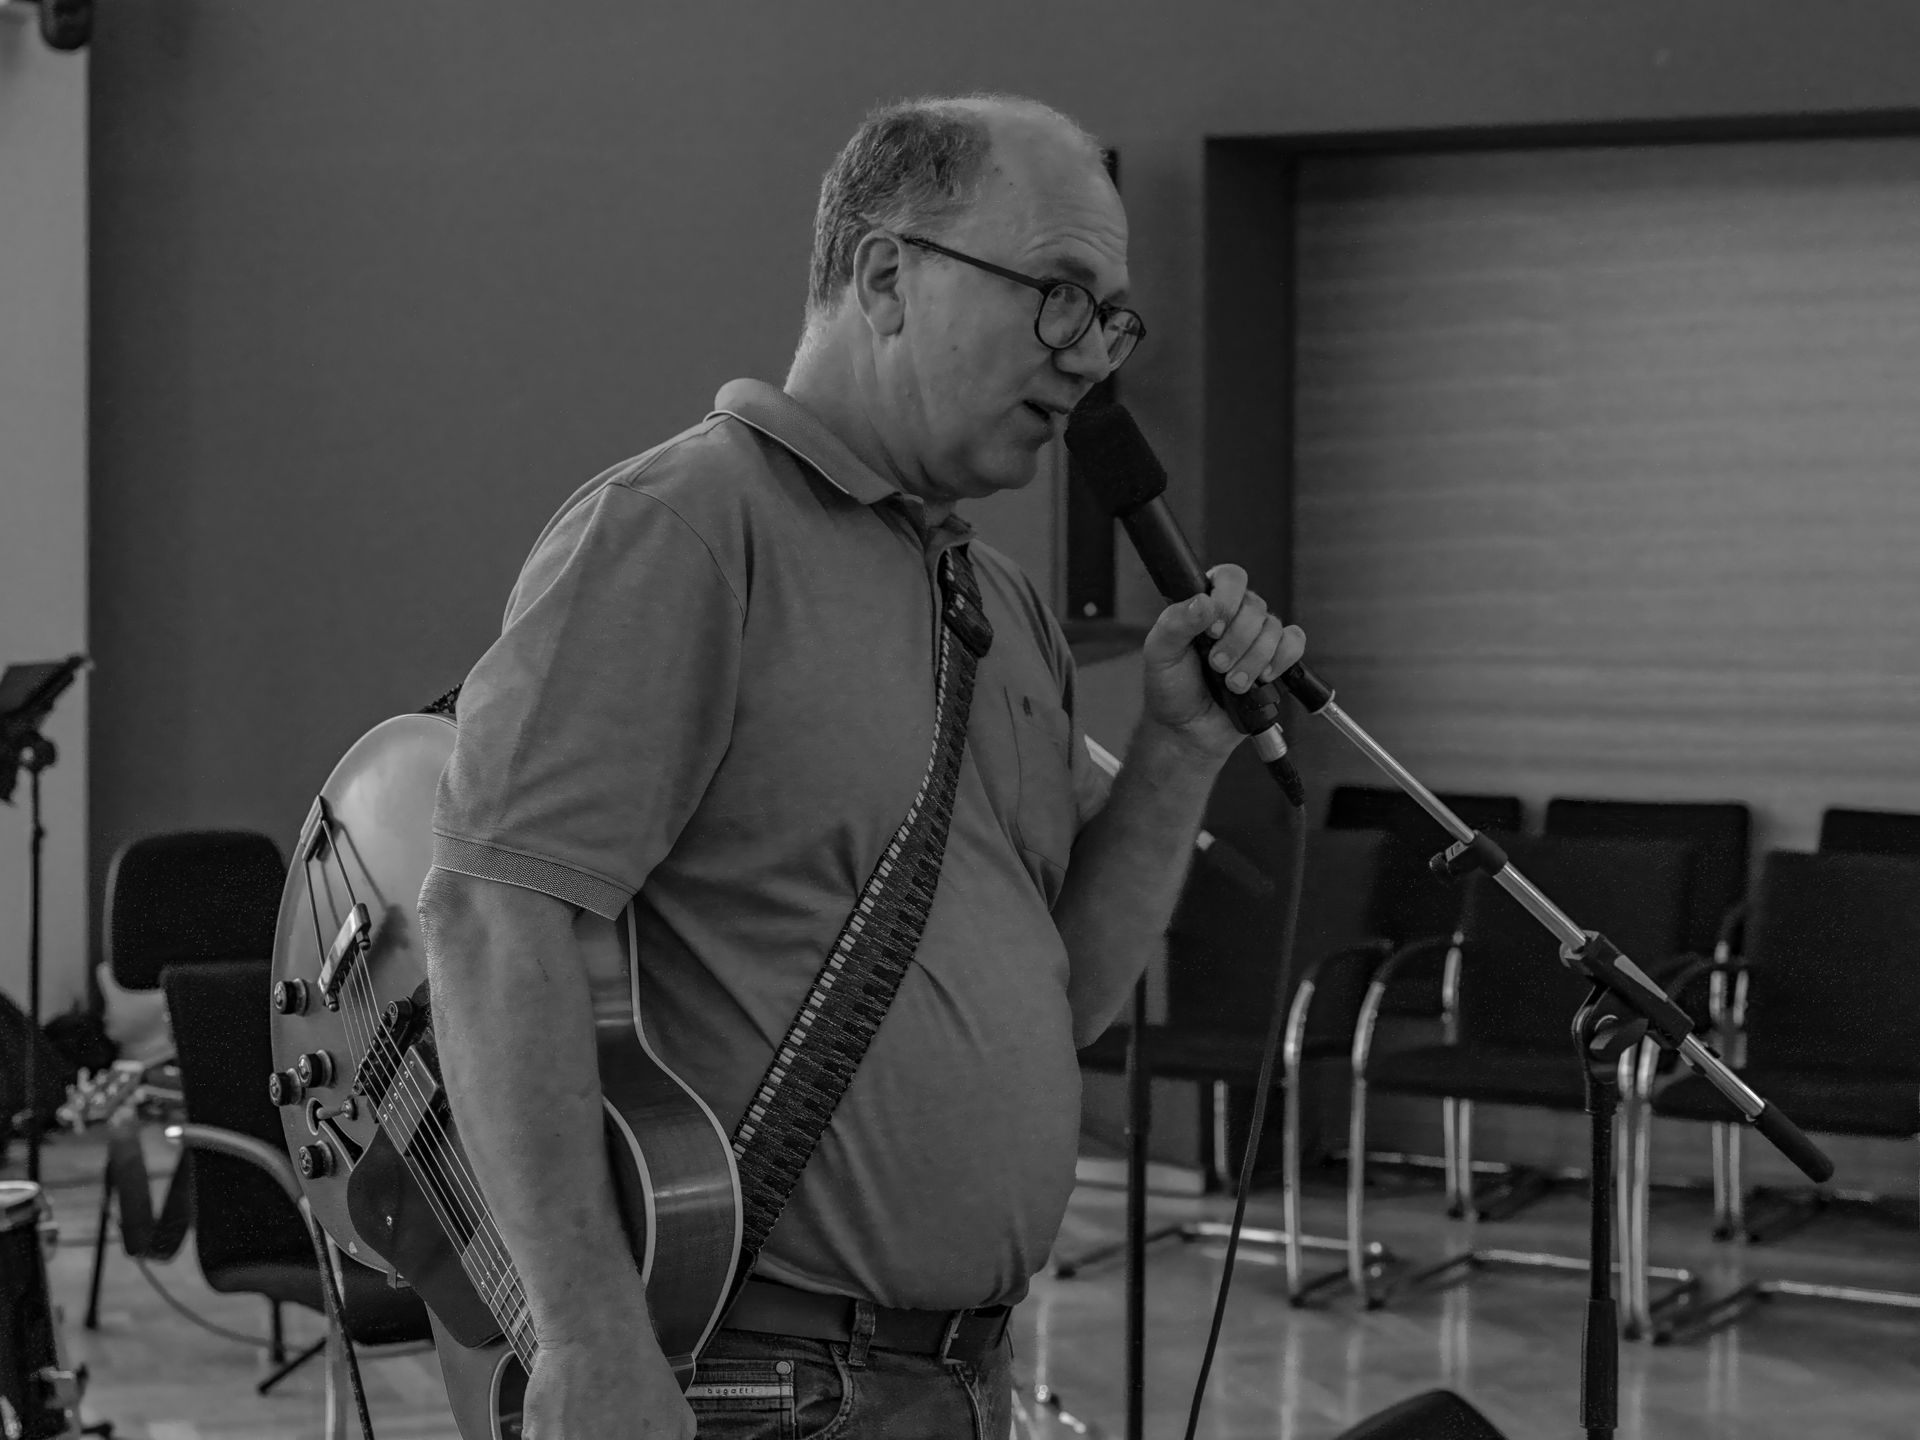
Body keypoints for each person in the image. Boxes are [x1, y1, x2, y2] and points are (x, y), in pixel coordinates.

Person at [417, 92, 1307, 1440]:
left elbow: (1067, 999)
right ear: (888, 277)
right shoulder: (686, 528)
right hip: (752, 1381)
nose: (1088, 359)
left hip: (955, 1377)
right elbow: (492, 918)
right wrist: (587, 1339)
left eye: (1110, 320)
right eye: (1058, 296)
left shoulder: (997, 601)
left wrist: (1181, 751)